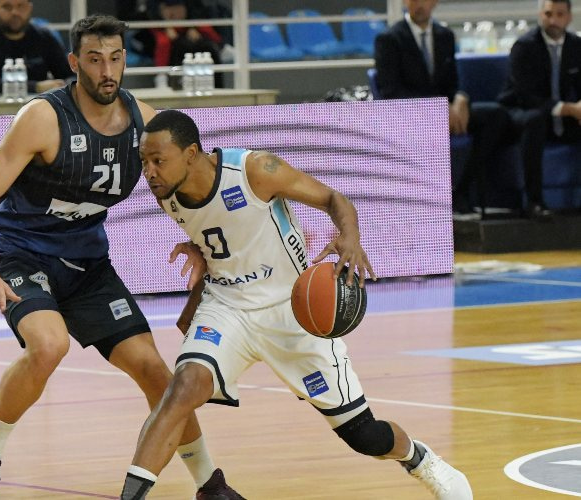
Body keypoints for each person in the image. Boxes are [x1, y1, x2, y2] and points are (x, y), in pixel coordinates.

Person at [121, 108, 474, 499]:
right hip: (228, 308)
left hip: (293, 311)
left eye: (158, 161)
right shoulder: (168, 194)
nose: (149, 172)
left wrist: (350, 237)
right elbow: (218, 239)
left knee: (364, 436)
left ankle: (420, 460)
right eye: (144, 162)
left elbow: (333, 198)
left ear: (191, 154)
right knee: (182, 388)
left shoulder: (255, 170)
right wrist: (197, 262)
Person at [0, 14, 241, 500]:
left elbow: (180, 185)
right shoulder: (43, 117)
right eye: (94, 60)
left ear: (125, 60)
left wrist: (197, 240)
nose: (106, 71)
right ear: (74, 63)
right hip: (23, 254)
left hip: (87, 265)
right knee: (49, 346)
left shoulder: (145, 122)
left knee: (156, 372)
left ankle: (210, 485)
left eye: (114, 59)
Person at [373, 0, 540, 218]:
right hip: (410, 115)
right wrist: (438, 108)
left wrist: (461, 99)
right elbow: (391, 92)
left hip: (446, 112)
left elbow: (451, 84)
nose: (420, 4)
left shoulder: (445, 36)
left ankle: (462, 189)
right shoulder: (388, 39)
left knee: (497, 116)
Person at [499, 0, 580, 216]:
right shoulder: (524, 46)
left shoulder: (576, 46)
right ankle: (535, 202)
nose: (553, 20)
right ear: (540, 15)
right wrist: (567, 109)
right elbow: (525, 95)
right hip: (522, 113)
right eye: (548, 14)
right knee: (535, 121)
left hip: (563, 118)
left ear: (569, 17)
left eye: (559, 14)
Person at [0, 0, 73, 95]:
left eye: (21, 6)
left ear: (30, 8)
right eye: (7, 7)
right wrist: (35, 87)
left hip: (39, 105)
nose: (15, 12)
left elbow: (67, 74)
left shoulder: (44, 37)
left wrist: (66, 85)